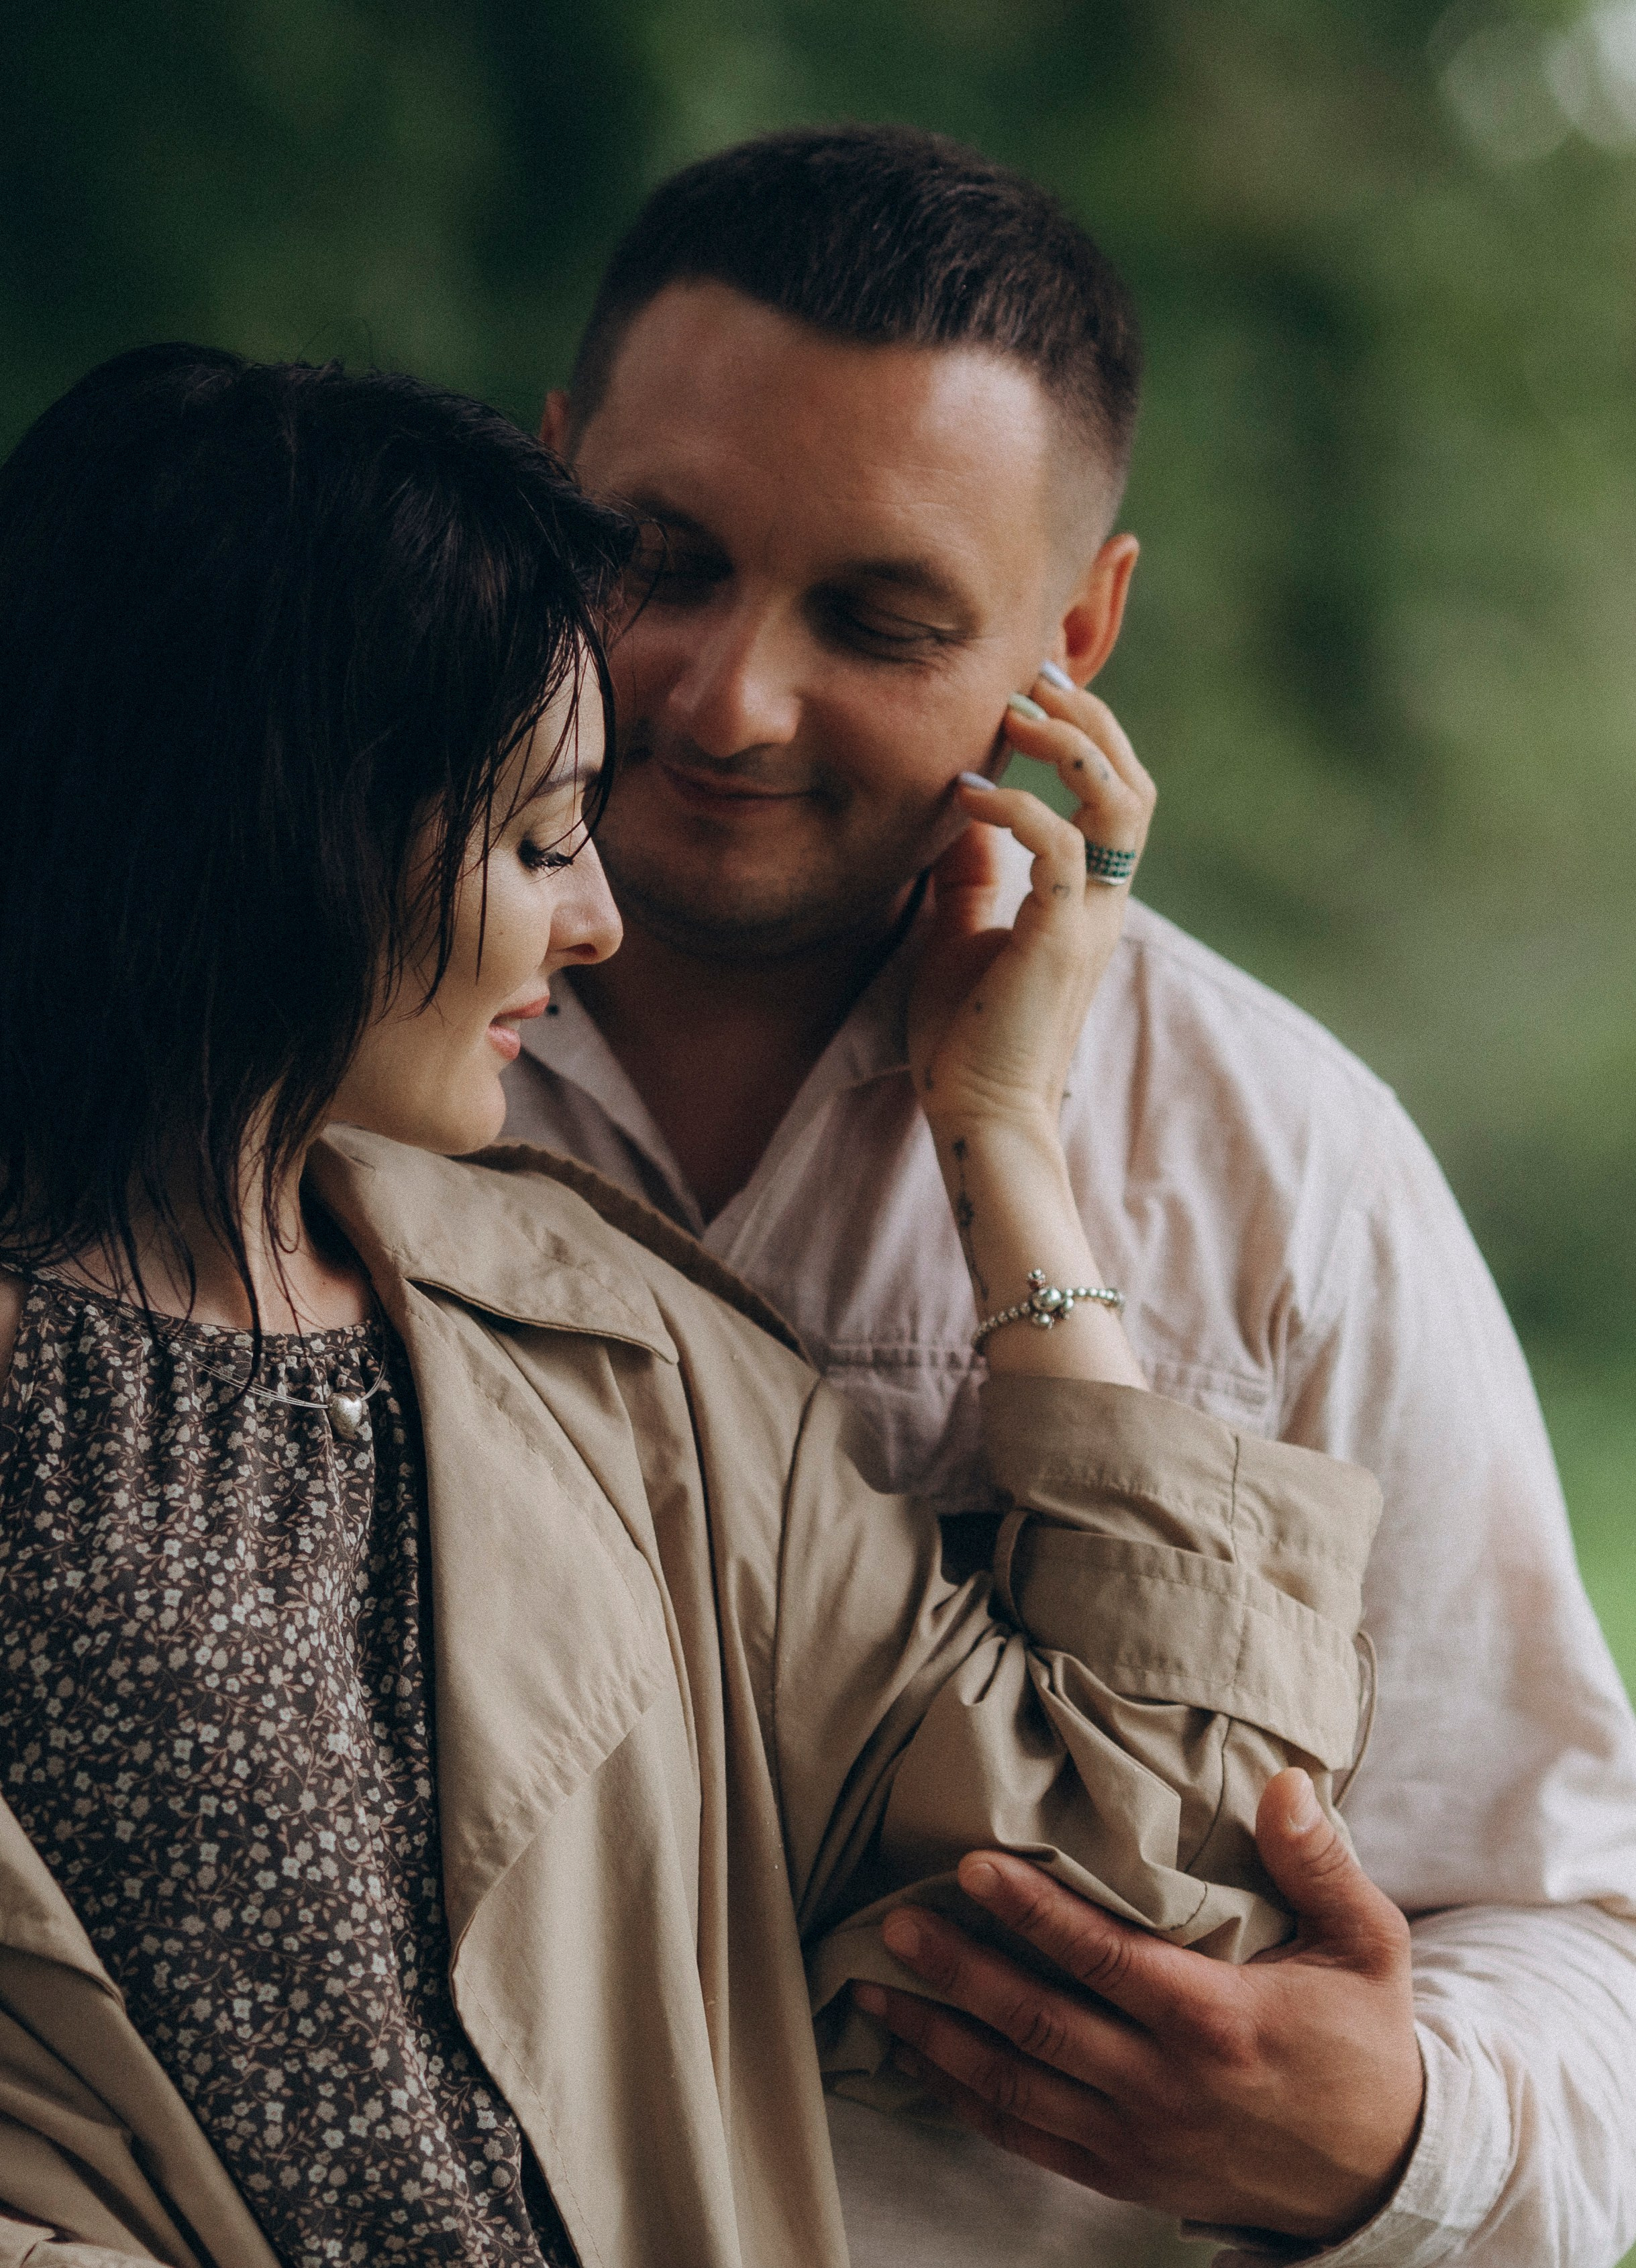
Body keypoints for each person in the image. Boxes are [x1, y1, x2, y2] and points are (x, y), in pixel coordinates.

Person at [0, 346, 1382, 2268]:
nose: (597, 919)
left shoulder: (601, 1353)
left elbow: (1148, 1861)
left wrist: (1001, 1135)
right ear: (289, 827)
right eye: (539, 838)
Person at [501, 125, 1636, 2266]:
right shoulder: (237, 1042)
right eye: (655, 554)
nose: (731, 696)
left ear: (1078, 629)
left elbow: (1578, 1937)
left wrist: (1386, 2132)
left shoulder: (1277, 1168)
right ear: (550, 473)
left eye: (879, 616)